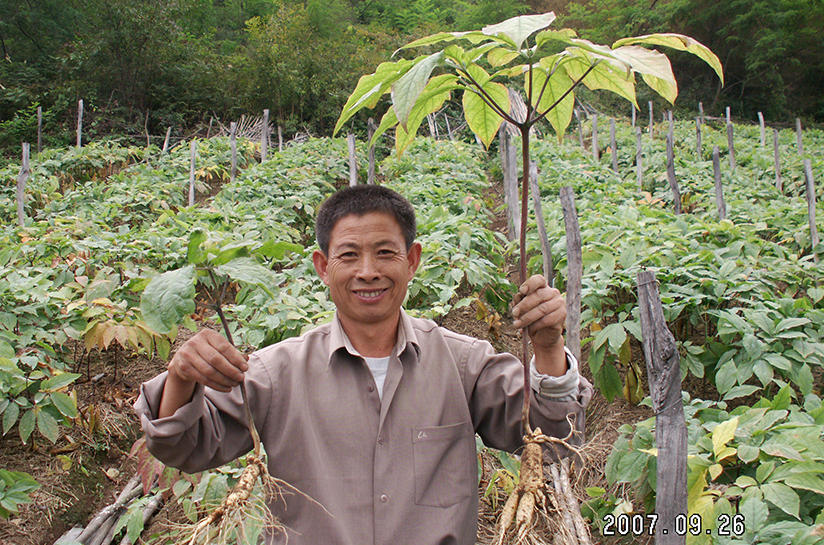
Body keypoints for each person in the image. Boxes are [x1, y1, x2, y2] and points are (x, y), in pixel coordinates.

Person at [135, 185, 592, 545]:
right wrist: (181, 376)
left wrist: (549, 346)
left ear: (412, 261)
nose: (368, 271)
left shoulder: (463, 363)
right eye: (349, 255)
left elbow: (552, 442)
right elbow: (184, 448)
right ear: (322, 265)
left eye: (385, 253)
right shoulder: (277, 372)